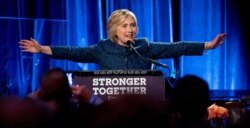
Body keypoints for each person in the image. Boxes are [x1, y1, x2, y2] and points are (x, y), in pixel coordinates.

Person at [19, 9, 227, 70]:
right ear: (113, 29)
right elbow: (73, 52)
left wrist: (208, 45)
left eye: (133, 25)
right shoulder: (102, 48)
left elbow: (177, 47)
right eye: (125, 26)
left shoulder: (143, 46)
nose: (130, 30)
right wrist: (42, 49)